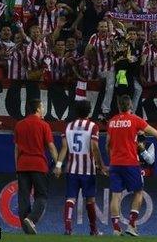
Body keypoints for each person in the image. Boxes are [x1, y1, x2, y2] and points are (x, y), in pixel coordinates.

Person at [106, 95, 157, 236]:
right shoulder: (135, 120)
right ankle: (132, 225)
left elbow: (107, 144)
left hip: (115, 163)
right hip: (130, 163)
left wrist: (111, 160)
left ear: (118, 105)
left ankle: (116, 228)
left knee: (116, 195)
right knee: (139, 192)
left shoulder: (112, 122)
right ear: (131, 106)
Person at [53, 100, 107, 236]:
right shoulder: (93, 126)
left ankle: (68, 228)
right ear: (89, 111)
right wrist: (101, 165)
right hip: (88, 169)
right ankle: (93, 230)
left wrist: (58, 165)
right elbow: (94, 148)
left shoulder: (68, 126)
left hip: (72, 169)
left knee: (71, 198)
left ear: (76, 112)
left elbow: (64, 147)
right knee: (90, 199)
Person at [14, 98, 58, 235]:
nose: (43, 109)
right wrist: (58, 164)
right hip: (39, 165)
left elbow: (16, 149)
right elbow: (51, 147)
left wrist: (17, 167)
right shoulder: (44, 125)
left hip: (22, 165)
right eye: (42, 106)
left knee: (23, 197)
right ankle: (31, 219)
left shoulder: (19, 125)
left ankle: (26, 229)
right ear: (38, 109)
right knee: (42, 196)